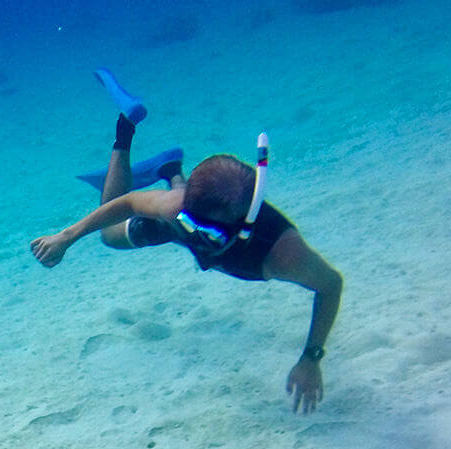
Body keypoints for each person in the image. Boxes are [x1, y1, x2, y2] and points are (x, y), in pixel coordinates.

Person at [30, 69, 343, 413]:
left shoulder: (283, 254)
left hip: (223, 227)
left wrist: (312, 357)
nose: (192, 236)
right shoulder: (178, 211)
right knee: (110, 236)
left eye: (203, 233)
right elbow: (129, 203)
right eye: (186, 218)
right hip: (187, 210)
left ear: (238, 228)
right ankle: (129, 133)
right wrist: (66, 237)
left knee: (163, 220)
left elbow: (330, 285)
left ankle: (169, 168)